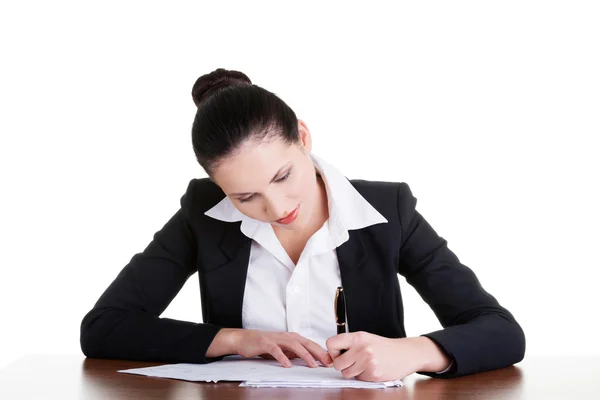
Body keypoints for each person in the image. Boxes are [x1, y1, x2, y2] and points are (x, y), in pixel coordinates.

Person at [80, 68, 525, 382]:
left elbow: (501, 331)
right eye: (245, 196)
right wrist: (235, 339)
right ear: (219, 186)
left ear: (304, 137)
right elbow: (104, 327)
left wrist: (411, 352)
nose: (275, 207)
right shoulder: (204, 213)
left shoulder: (388, 209)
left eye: (282, 176)